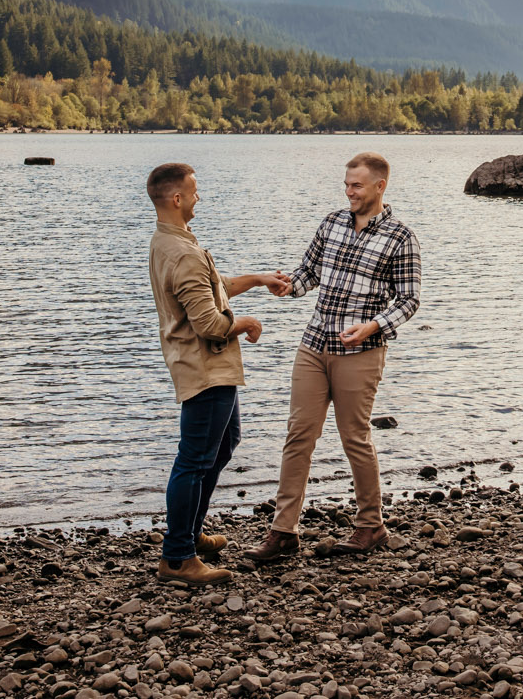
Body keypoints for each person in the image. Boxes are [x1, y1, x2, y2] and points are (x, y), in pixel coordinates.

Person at [248, 151, 421, 563]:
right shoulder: (332, 222)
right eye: (346, 184)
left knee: (354, 437)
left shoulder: (400, 236)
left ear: (380, 186)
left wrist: (373, 325)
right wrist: (288, 286)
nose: (349, 192)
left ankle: (370, 525)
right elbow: (310, 272)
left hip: (361, 351)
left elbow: (409, 299)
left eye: (357, 185)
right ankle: (283, 531)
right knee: (298, 435)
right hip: (314, 344)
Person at [146, 161, 289, 585]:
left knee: (224, 444)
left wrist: (259, 279)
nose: (198, 197)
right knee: (194, 460)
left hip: (206, 368)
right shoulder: (184, 253)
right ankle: (178, 558)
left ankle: (189, 532)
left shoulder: (167, 242)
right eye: (194, 190)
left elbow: (215, 285)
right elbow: (209, 323)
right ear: (177, 198)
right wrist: (246, 324)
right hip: (205, 369)